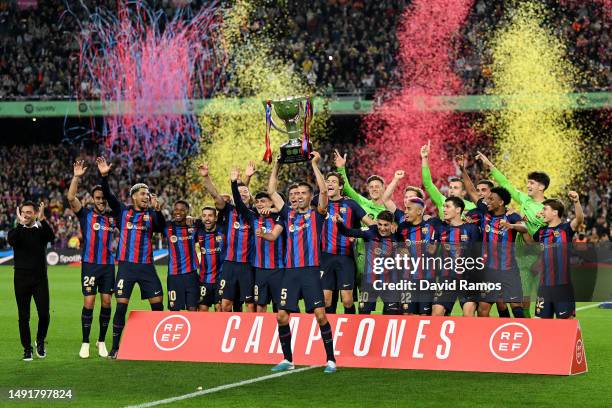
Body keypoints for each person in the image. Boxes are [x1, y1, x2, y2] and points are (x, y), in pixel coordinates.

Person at [260, 152, 337, 373]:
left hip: (311, 272)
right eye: (294, 194)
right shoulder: (287, 215)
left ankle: (330, 359)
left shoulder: (318, 214)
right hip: (290, 273)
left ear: (309, 196)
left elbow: (323, 191)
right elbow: (272, 191)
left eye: (302, 193)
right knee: (281, 315)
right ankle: (288, 359)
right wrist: (276, 164)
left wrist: (314, 164)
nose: (297, 197)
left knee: (320, 315)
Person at [96, 157, 166, 359]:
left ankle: (159, 346)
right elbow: (108, 195)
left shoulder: (152, 215)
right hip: (126, 267)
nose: (147, 196)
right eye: (143, 193)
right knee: (121, 306)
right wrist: (104, 176)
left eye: (148, 194)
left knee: (158, 305)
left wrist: (158, 211)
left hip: (146, 267)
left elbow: (161, 228)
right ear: (134, 196)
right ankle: (116, 348)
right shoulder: (122, 211)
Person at [476, 151, 549, 317]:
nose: (528, 185)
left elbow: (550, 234)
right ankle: (522, 332)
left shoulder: (548, 208)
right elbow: (505, 184)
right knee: (520, 302)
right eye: (527, 183)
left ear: (541, 187)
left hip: (539, 256)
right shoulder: (524, 200)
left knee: (542, 301)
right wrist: (490, 165)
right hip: (518, 256)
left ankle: (541, 334)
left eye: (531, 183)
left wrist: (540, 258)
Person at [67, 160, 115, 358]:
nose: (101, 200)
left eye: (103, 197)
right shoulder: (85, 214)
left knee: (106, 302)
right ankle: (85, 342)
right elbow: (71, 197)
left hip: (108, 266)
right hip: (90, 265)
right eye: (97, 198)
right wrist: (76, 177)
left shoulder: (114, 216)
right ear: (93, 199)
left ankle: (101, 341)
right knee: (89, 302)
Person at [199, 163, 255, 312]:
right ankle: (227, 334)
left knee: (250, 305)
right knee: (225, 305)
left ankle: (249, 332)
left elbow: (242, 195)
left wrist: (245, 180)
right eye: (240, 192)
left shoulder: (255, 215)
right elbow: (215, 196)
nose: (243, 194)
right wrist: (206, 177)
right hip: (229, 265)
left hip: (247, 265)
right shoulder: (228, 211)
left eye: (246, 193)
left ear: (251, 197)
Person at [231, 166, 285, 313]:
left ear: (272, 203)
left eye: (263, 201)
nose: (259, 204)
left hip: (278, 269)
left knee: (280, 306)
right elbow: (239, 202)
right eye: (258, 202)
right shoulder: (253, 217)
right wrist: (233, 183)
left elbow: (288, 208)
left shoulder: (282, 217)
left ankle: (281, 333)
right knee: (260, 306)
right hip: (259, 269)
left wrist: (275, 210)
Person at [320, 171, 374, 314]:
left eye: (333, 182)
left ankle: (351, 328)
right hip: (326, 256)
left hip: (346, 256)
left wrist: (358, 234)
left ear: (340, 187)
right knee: (326, 300)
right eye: (327, 181)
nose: (329, 183)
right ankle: (330, 332)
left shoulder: (351, 204)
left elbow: (371, 224)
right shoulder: (320, 202)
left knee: (347, 299)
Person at [8, 201, 55, 361]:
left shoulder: (40, 231)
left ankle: (40, 341)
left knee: (44, 314)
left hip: (40, 279)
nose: (26, 215)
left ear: (35, 213)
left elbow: (51, 237)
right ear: (20, 214)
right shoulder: (16, 231)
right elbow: (12, 241)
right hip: (21, 279)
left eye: (29, 212)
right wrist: (20, 224)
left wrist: (42, 220)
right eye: (23, 212)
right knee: (23, 316)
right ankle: (27, 349)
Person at [471, 187, 527, 318]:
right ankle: (485, 336)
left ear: (501, 202)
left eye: (491, 199)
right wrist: (463, 170)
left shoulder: (511, 216)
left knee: (516, 307)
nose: (488, 201)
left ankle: (522, 335)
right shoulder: (485, 212)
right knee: (482, 309)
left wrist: (511, 226)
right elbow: (472, 192)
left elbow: (524, 228)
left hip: (509, 269)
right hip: (489, 271)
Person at [527, 193, 583, 319]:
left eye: (545, 209)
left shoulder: (566, 229)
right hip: (544, 287)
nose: (542, 212)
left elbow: (579, 219)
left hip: (562, 286)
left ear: (555, 212)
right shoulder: (541, 232)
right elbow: (529, 239)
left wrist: (576, 202)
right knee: (541, 323)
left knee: (566, 323)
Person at [333, 210, 399, 315]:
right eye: (380, 224)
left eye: (386, 225)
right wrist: (340, 223)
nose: (382, 228)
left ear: (392, 224)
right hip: (369, 282)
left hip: (389, 284)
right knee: (363, 313)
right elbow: (348, 232)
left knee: (392, 315)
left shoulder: (398, 236)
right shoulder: (370, 231)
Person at [431, 197, 481, 317]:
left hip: (468, 279)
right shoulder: (440, 228)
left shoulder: (471, 229)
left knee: (468, 314)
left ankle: (468, 336)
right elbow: (431, 250)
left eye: (447, 206)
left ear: (458, 210)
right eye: (443, 207)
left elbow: (477, 254)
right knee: (437, 312)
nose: (444, 209)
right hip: (447, 278)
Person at [421, 141, 476, 217]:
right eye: (450, 187)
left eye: (455, 188)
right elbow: (428, 184)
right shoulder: (442, 201)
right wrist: (425, 158)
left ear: (463, 192)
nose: (451, 190)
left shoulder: (473, 207)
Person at [162, 201, 199, 311]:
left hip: (191, 274)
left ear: (187, 212)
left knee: (193, 309)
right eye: (176, 209)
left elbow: (208, 222)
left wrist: (195, 219)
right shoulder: (168, 226)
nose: (178, 212)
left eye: (182, 210)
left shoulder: (195, 226)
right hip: (174, 276)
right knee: (174, 310)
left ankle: (194, 329)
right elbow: (156, 222)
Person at [195, 207, 225, 312]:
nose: (207, 219)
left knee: (220, 308)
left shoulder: (223, 231)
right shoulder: (198, 232)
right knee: (202, 310)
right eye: (204, 216)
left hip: (221, 279)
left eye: (210, 216)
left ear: (216, 218)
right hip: (204, 279)